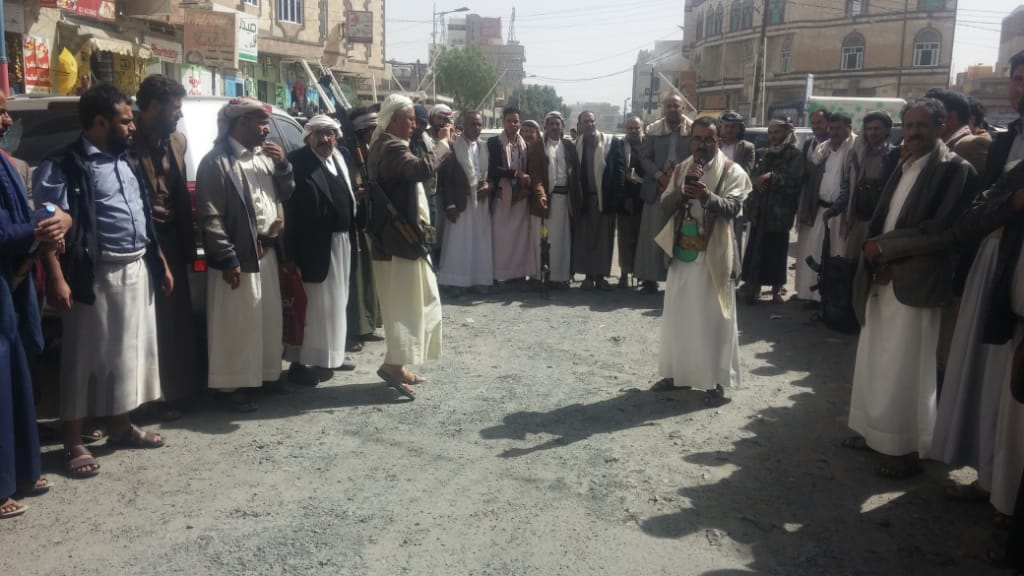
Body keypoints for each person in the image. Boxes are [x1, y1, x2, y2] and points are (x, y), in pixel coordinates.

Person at [35, 84, 173, 477]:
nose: (132, 127)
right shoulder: (63, 164)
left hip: (136, 267)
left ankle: (120, 425)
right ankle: (73, 440)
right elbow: (46, 227)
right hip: (91, 275)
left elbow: (142, 215)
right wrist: (57, 279)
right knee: (84, 359)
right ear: (100, 122)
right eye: (125, 121)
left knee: (127, 354)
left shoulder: (126, 159)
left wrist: (160, 262)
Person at [845, 97, 977, 479]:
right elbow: (886, 218)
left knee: (907, 366)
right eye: (910, 125)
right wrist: (877, 258)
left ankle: (905, 449)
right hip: (882, 274)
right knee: (875, 357)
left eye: (923, 125)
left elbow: (944, 231)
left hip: (916, 281)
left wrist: (886, 251)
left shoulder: (955, 170)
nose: (915, 132)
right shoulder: (905, 164)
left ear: (941, 126)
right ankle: (874, 432)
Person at [195, 97, 295, 412]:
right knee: (236, 323)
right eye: (261, 123)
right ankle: (231, 386)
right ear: (241, 123)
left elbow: (286, 193)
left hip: (267, 252)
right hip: (238, 256)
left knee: (266, 318)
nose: (267, 130)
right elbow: (210, 215)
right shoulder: (216, 162)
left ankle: (266, 375)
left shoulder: (265, 157)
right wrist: (227, 258)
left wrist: (283, 166)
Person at [651, 116, 750, 402]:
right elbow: (665, 206)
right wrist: (682, 193)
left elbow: (734, 207)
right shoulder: (683, 168)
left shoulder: (732, 170)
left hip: (714, 255)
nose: (702, 145)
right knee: (678, 317)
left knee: (712, 319)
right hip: (683, 254)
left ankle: (713, 380)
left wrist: (708, 197)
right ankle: (676, 375)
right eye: (697, 139)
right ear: (690, 140)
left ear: (718, 140)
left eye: (708, 139)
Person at [0, 89, 66, 516]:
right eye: (0, 112)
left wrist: (58, 218)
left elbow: (24, 214)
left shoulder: (9, 163)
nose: (8, 121)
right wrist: (41, 227)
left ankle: (22, 471)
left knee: (18, 373)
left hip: (15, 283)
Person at [367, 94, 452, 400]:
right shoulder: (390, 146)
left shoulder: (389, 144)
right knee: (407, 305)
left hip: (402, 240)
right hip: (398, 242)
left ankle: (398, 365)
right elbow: (420, 170)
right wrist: (443, 144)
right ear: (392, 120)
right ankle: (392, 366)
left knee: (416, 302)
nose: (414, 124)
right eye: (409, 119)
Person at [132, 74, 197, 418]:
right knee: (142, 323)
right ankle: (142, 401)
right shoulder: (126, 139)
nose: (179, 114)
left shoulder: (177, 141)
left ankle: (174, 392)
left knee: (173, 323)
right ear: (154, 107)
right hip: (138, 244)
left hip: (171, 239)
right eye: (175, 108)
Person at [284, 115, 356, 386]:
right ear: (308, 137)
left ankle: (331, 354)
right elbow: (289, 212)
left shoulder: (339, 158)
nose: (325, 139)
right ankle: (301, 363)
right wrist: (290, 254)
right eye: (319, 133)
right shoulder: (298, 162)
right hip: (312, 247)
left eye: (330, 133)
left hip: (340, 242)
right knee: (313, 307)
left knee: (337, 303)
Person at [741, 117, 804, 304]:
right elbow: (753, 175)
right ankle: (754, 286)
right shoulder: (765, 153)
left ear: (786, 132)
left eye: (777, 132)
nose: (773, 136)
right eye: (770, 132)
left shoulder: (794, 154)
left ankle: (777, 290)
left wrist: (772, 177)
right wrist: (756, 180)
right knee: (756, 249)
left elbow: (795, 180)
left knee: (776, 252)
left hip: (779, 213)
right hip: (760, 210)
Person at [795, 111, 855, 303]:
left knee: (838, 254)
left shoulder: (855, 149)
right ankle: (815, 297)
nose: (834, 132)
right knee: (816, 252)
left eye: (839, 128)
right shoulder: (823, 150)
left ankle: (833, 299)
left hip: (842, 214)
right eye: (832, 128)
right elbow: (811, 180)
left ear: (849, 128)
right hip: (821, 211)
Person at [636, 93, 692, 294]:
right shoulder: (653, 130)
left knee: (682, 236)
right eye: (668, 106)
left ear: (683, 108)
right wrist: (660, 176)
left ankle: (681, 282)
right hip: (657, 187)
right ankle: (649, 280)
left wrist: (678, 178)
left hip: (684, 188)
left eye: (676, 106)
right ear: (663, 108)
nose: (672, 109)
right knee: (653, 235)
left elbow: (697, 157)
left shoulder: (693, 130)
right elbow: (644, 158)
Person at [827, 111, 901, 258]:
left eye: (877, 128)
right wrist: (834, 209)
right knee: (851, 261)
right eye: (869, 129)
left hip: (880, 221)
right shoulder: (857, 155)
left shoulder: (895, 156)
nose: (872, 132)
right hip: (857, 221)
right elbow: (848, 187)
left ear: (887, 130)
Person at [436, 110, 493, 295]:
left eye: (479, 124)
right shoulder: (453, 146)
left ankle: (478, 280)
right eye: (472, 124)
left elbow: (488, 174)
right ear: (464, 125)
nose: (476, 128)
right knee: (459, 244)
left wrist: (488, 186)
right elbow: (446, 179)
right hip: (460, 203)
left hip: (480, 202)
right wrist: (450, 205)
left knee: (479, 242)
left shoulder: (484, 147)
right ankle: (455, 282)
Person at [343, 107, 383, 352]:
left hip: (367, 221)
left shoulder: (368, 150)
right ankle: (353, 329)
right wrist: (357, 193)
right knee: (355, 279)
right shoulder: (347, 152)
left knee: (369, 276)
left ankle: (367, 325)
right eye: (373, 129)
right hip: (353, 223)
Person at [526, 111, 579, 288]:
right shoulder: (536, 146)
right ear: (545, 126)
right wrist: (541, 194)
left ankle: (559, 277)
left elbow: (575, 174)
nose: (554, 127)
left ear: (563, 126)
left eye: (558, 124)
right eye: (551, 124)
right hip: (544, 200)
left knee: (561, 241)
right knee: (540, 239)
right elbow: (535, 175)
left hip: (564, 201)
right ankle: (538, 277)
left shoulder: (569, 146)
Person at [572, 111, 622, 290]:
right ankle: (588, 276)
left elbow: (619, 172)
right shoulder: (576, 145)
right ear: (580, 125)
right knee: (585, 238)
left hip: (605, 200)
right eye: (585, 121)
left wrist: (616, 199)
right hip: (586, 199)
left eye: (592, 121)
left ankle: (600, 277)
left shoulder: (610, 143)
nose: (589, 124)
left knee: (604, 239)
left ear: (596, 122)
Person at [487, 106, 533, 283]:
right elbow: (494, 169)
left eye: (516, 121)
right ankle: (499, 275)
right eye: (509, 121)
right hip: (502, 197)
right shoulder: (494, 142)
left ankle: (518, 275)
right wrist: (516, 174)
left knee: (520, 239)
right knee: (501, 239)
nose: (513, 124)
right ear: (503, 122)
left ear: (520, 123)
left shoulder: (524, 144)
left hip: (521, 197)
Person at [927, 88, 991, 183]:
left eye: (928, 116)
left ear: (950, 117)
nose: (923, 122)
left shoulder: (973, 145)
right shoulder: (935, 146)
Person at [615, 116, 646, 289]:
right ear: (626, 130)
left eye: (636, 128)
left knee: (643, 239)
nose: (633, 131)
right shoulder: (619, 146)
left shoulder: (649, 145)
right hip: (625, 199)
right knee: (625, 239)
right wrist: (623, 197)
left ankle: (642, 273)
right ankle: (624, 273)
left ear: (642, 128)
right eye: (630, 128)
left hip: (645, 199)